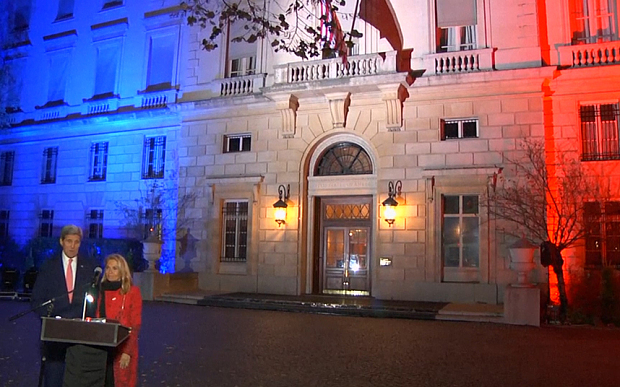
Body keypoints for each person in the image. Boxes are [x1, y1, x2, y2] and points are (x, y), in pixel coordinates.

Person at [30, 224, 100, 387]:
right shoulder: (49, 266)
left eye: (76, 242)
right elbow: (37, 299)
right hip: (55, 334)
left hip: (80, 334)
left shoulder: (89, 267)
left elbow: (94, 298)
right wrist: (49, 319)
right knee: (54, 378)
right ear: (61, 241)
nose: (72, 246)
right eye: (69, 241)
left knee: (77, 379)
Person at [98, 254, 142, 387]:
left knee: (121, 381)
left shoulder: (132, 292)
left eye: (115, 268)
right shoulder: (101, 291)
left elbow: (135, 325)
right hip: (103, 348)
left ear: (122, 272)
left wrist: (127, 352)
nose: (110, 272)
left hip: (122, 347)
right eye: (108, 268)